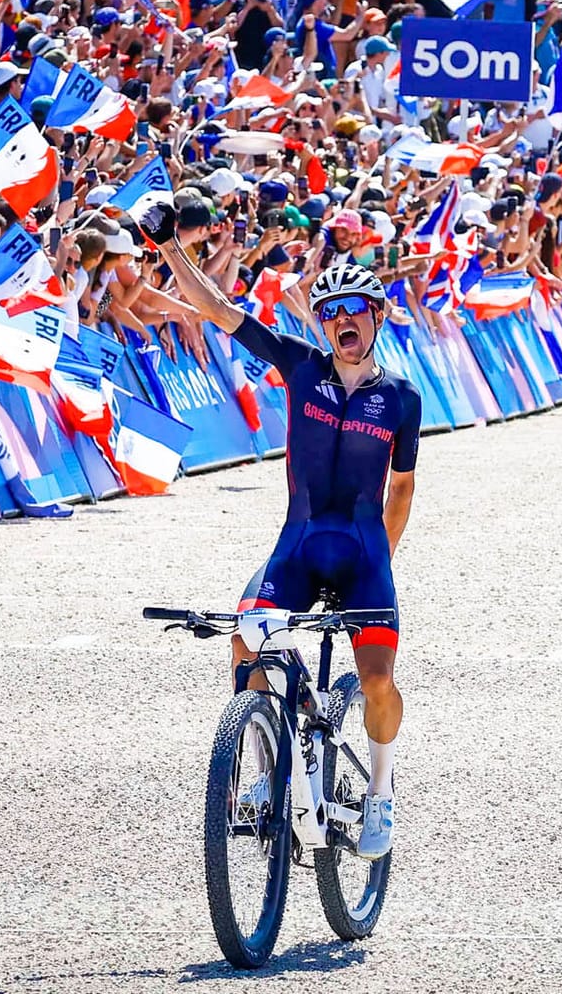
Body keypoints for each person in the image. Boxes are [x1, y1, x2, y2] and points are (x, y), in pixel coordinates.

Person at [153, 250, 422, 861]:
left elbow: (401, 489)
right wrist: (169, 248)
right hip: (297, 547)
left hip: (362, 557)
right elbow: (219, 310)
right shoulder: (301, 368)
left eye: (354, 309)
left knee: (378, 680)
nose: (340, 320)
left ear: (377, 315)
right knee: (245, 638)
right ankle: (263, 753)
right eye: (329, 312)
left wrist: (382, 562)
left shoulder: (403, 399)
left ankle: (379, 789)